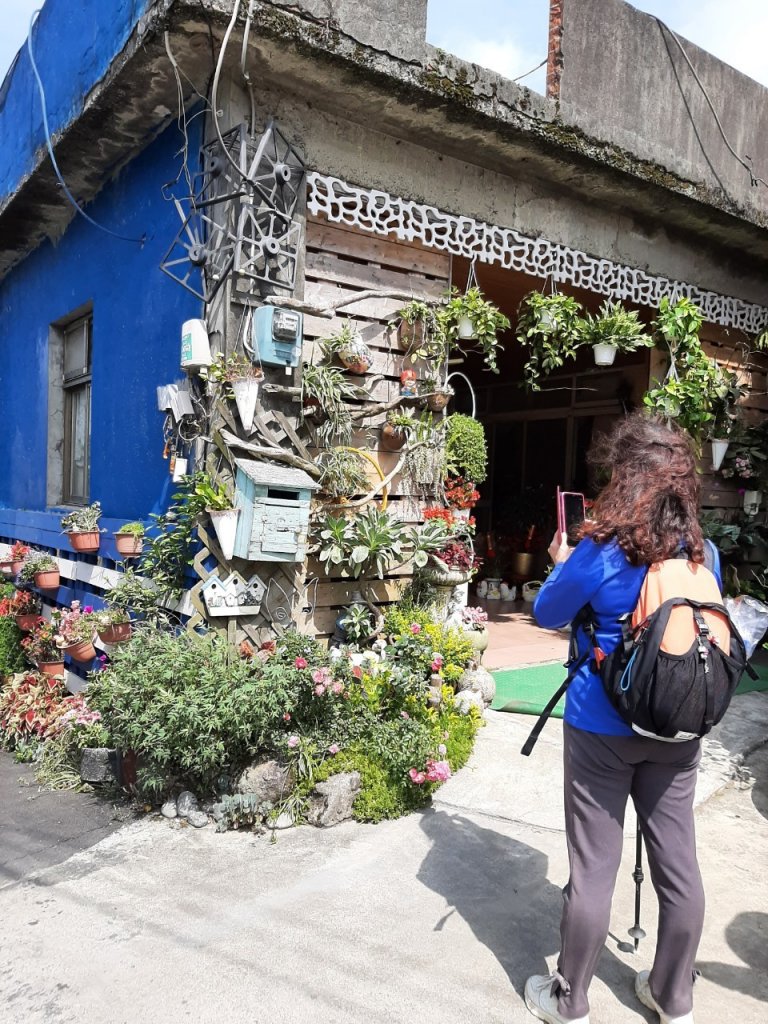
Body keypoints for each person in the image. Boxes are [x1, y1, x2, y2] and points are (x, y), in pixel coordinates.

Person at [524, 413, 720, 1024]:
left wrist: (562, 562)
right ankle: (672, 996)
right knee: (679, 866)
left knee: (594, 868)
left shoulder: (600, 548)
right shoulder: (701, 549)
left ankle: (570, 1000)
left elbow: (547, 612)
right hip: (677, 726)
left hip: (600, 728)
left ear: (623, 475)